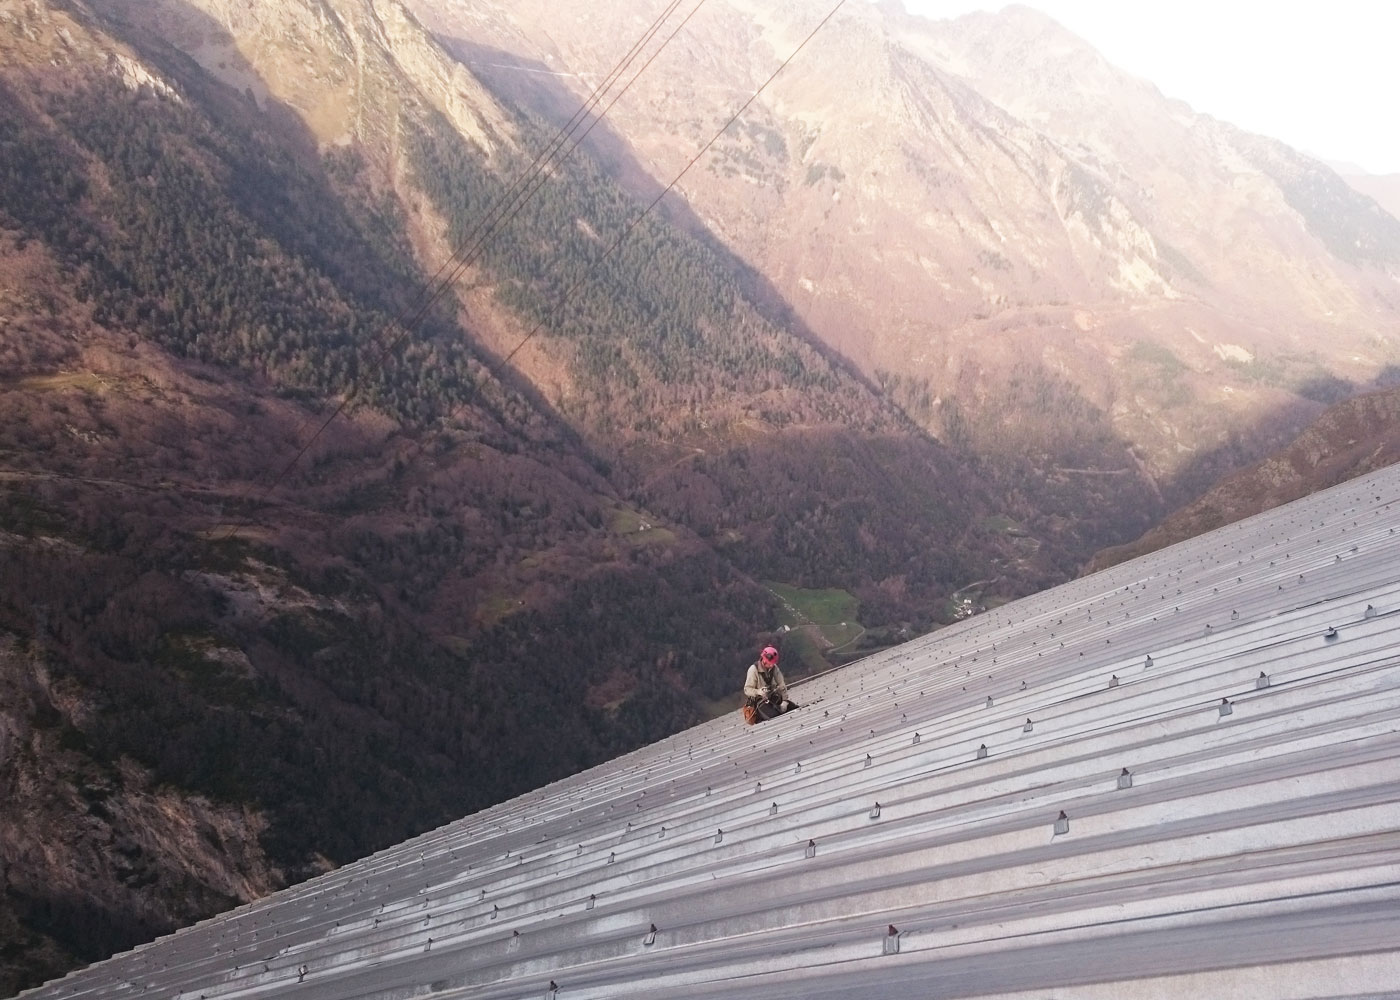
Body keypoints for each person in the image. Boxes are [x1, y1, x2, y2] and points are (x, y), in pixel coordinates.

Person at [743, 645, 796, 723]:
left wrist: (784, 700)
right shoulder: (753, 670)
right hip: (760, 703)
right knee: (774, 715)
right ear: (764, 660)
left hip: (771, 698)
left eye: (773, 663)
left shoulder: (774, 668)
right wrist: (758, 692)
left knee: (792, 707)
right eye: (770, 663)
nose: (771, 665)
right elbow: (747, 689)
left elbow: (781, 683)